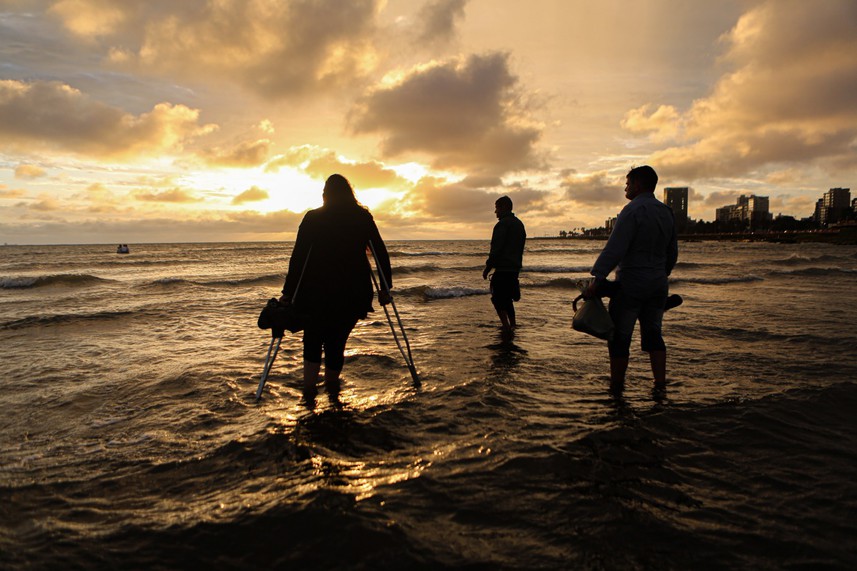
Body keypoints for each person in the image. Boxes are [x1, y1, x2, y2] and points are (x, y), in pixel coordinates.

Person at [279, 174, 392, 404]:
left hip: (315, 293)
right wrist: (385, 287)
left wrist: (288, 293)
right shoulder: (362, 217)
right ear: (349, 192)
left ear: (325, 194)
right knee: (336, 342)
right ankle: (333, 394)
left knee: (312, 340)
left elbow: (298, 258)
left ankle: (309, 397)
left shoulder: (313, 218)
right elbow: (380, 251)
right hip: (353, 293)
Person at [584, 165, 678, 394]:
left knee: (620, 337)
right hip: (657, 284)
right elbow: (672, 252)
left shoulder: (632, 210)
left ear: (637, 184)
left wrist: (597, 278)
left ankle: (617, 386)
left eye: (627, 183)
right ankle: (660, 384)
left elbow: (615, 248)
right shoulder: (666, 212)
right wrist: (661, 274)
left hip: (632, 284)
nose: (625, 188)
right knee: (654, 334)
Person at [482, 196, 526, 336]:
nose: (495, 212)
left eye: (497, 208)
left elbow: (496, 248)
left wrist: (488, 268)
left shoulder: (502, 224)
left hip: (503, 268)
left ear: (504, 207)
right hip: (514, 268)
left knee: (497, 298)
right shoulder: (519, 224)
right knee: (507, 298)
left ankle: (506, 327)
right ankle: (513, 325)